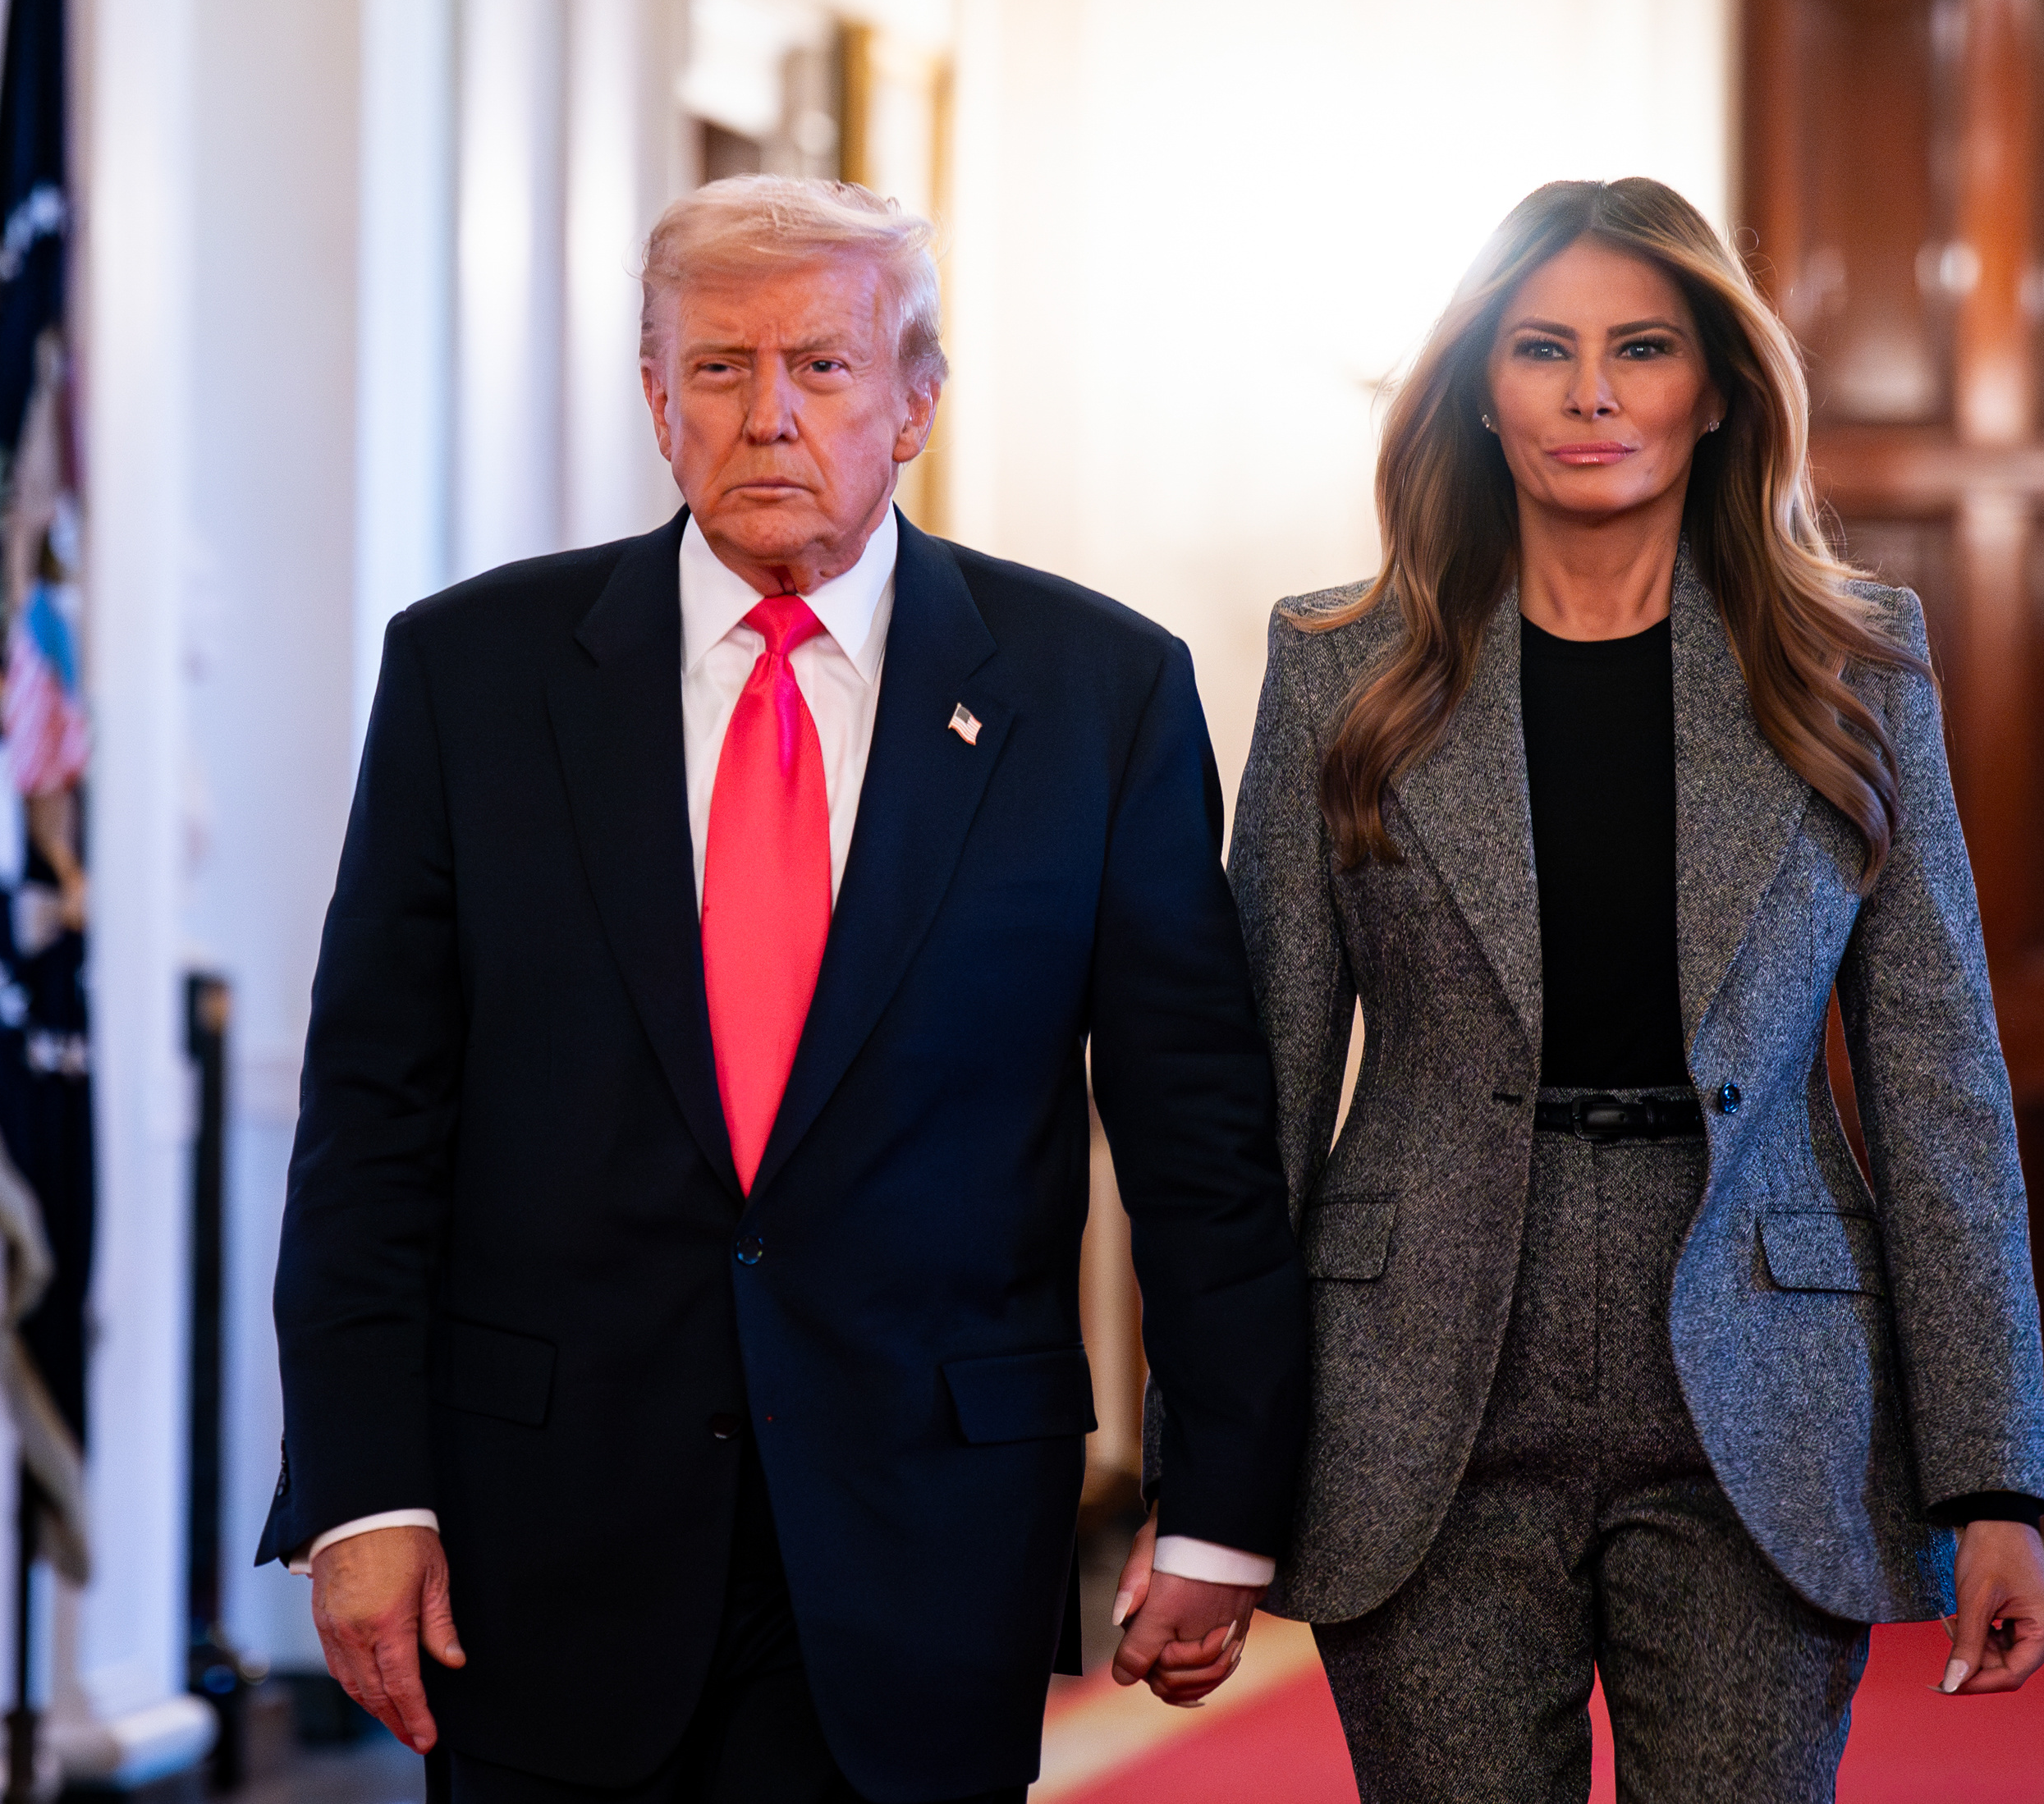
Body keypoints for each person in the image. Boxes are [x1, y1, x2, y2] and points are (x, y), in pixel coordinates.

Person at [259, 176, 1310, 1804]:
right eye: (720, 367)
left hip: (926, 1533)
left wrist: (1219, 1496)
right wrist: (362, 1493)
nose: (768, 416)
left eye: (821, 366)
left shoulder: (1095, 694)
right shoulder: (474, 674)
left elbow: (1196, 1135)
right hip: (544, 1534)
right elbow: (373, 1119)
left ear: (916, 403)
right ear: (654, 396)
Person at [1225, 178, 2044, 1800]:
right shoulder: (1341, 662)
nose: (1592, 392)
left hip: (1759, 1366)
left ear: (1715, 388)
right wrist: (1210, 1477)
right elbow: (1258, 1073)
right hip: (1417, 1376)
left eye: (1640, 347)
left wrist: (1989, 1483)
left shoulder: (1850, 660)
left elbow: (1935, 1079)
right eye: (1542, 348)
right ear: (1481, 385)